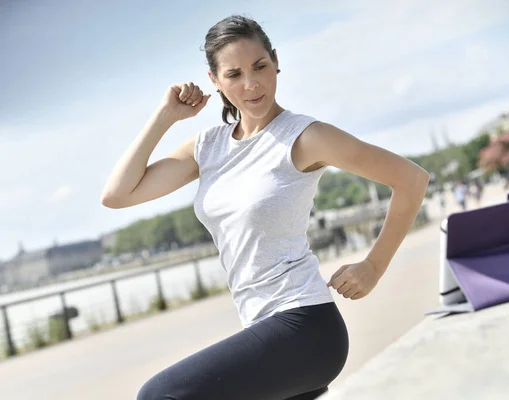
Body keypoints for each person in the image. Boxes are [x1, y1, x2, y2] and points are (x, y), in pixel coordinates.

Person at [101, 15, 429, 400]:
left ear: (275, 61)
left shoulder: (306, 137)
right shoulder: (207, 148)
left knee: (161, 395)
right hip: (260, 327)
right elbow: (117, 195)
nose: (251, 84)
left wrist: (373, 267)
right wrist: (165, 117)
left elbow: (411, 179)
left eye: (259, 67)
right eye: (234, 74)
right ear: (215, 81)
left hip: (304, 327)